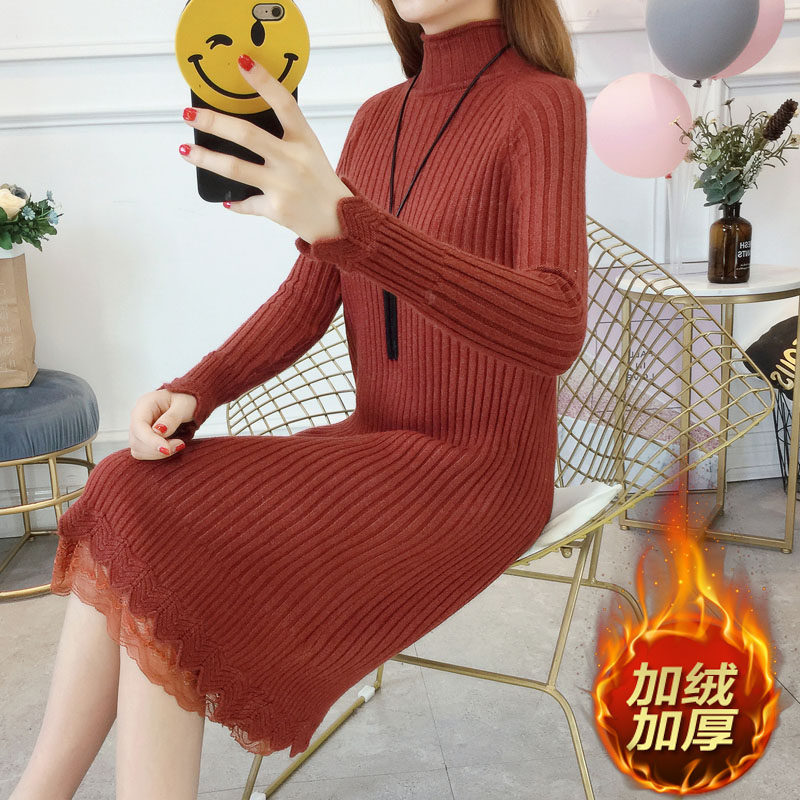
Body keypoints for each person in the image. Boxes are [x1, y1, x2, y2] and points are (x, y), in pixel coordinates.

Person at [8, 0, 588, 797]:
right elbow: (310, 296)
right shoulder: (378, 118)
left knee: (158, 528)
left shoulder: (543, 103)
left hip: (482, 476)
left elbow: (556, 326)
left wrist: (358, 228)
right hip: (378, 443)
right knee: (128, 485)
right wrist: (193, 389)